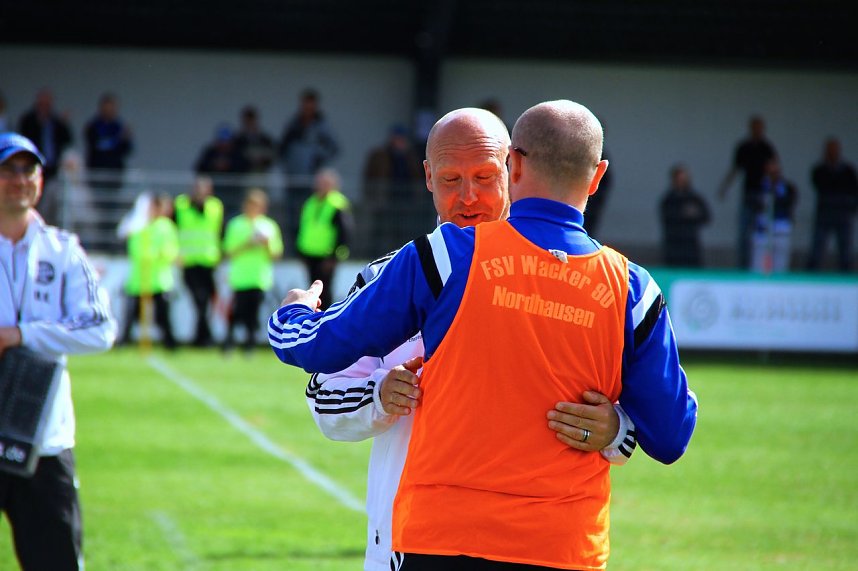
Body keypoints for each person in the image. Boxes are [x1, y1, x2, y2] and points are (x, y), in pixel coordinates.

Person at [269, 100, 697, 569]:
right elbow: (323, 392)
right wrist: (377, 395)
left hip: (448, 538)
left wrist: (617, 429)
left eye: (484, 177)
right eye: (451, 179)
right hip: (472, 541)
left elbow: (318, 345)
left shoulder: (443, 260)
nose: (468, 196)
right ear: (428, 177)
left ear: (513, 167)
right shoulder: (629, 287)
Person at [0, 132, 116, 570]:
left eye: (28, 169)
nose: (19, 179)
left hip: (44, 442)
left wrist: (21, 335)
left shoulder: (63, 250)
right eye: (8, 169)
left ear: (41, 181)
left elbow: (101, 329)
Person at [222, 188, 283, 353]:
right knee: (237, 311)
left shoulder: (269, 226)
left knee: (253, 312)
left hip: (259, 277)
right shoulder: (236, 224)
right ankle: (229, 340)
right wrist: (248, 243)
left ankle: (250, 343)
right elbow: (228, 251)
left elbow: (276, 254)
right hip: (240, 277)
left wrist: (266, 244)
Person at [278, 88, 339, 245]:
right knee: (292, 218)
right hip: (293, 180)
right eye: (305, 104)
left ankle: (306, 248)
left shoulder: (322, 126)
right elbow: (282, 148)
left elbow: (334, 148)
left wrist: (317, 158)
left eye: (311, 105)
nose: (307, 108)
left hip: (312, 183)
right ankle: (293, 248)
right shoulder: (293, 124)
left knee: (308, 219)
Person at [118, 193, 179, 349]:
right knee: (131, 314)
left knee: (163, 315)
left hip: (159, 279)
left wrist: (156, 255)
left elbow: (171, 250)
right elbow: (133, 247)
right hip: (139, 279)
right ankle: (124, 341)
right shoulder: (139, 225)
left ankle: (170, 343)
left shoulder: (166, 226)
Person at [718, 115, 778, 269]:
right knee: (744, 232)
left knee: (762, 233)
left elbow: (775, 170)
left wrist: (774, 187)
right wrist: (725, 187)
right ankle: (742, 266)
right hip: (748, 193)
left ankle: (761, 267)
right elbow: (735, 169)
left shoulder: (767, 148)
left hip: (763, 195)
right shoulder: (744, 147)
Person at [174, 175, 224, 347]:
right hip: (189, 261)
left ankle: (201, 336)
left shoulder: (215, 206)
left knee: (206, 300)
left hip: (209, 260)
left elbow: (218, 231)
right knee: (199, 299)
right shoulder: (181, 205)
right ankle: (204, 337)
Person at [361, 123, 425, 255]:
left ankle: (400, 256)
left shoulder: (411, 157)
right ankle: (375, 254)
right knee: (380, 229)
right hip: (384, 199)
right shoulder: (380, 155)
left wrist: (417, 196)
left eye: (402, 139)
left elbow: (417, 177)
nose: (399, 142)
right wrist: (372, 196)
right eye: (397, 138)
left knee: (401, 231)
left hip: (405, 201)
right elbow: (370, 176)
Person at [83, 92, 134, 252]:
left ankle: (109, 245)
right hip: (96, 176)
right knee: (96, 213)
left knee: (112, 213)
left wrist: (125, 139)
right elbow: (96, 146)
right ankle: (97, 245)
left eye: (112, 108)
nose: (110, 111)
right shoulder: (93, 126)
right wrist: (116, 140)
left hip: (114, 178)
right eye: (107, 107)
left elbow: (126, 150)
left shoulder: (119, 127)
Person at [295, 168, 352, 310]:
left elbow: (345, 232)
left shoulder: (337, 204)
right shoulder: (310, 202)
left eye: (324, 183)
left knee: (324, 291)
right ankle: (315, 317)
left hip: (326, 257)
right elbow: (303, 227)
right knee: (312, 290)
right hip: (309, 254)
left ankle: (324, 317)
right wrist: (300, 252)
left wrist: (334, 257)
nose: (320, 186)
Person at [17, 88, 74, 227]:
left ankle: (44, 227)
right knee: (33, 201)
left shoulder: (56, 121)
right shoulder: (28, 120)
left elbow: (68, 140)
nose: (45, 107)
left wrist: (65, 123)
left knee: (51, 204)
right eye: (42, 104)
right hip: (33, 167)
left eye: (47, 104)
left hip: (53, 170)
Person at [805, 137, 858, 272]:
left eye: (835, 150)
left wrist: (851, 208)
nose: (832, 152)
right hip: (825, 212)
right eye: (830, 150)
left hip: (843, 214)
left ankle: (846, 276)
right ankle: (812, 275)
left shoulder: (848, 171)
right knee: (818, 247)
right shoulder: (819, 170)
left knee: (845, 249)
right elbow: (821, 185)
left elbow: (853, 190)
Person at [750, 156, 798, 274]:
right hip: (763, 232)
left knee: (780, 270)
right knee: (758, 269)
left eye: (775, 171)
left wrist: (775, 197)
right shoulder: (758, 186)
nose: (773, 174)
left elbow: (788, 203)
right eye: (770, 171)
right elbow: (754, 204)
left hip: (781, 232)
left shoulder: (788, 188)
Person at [194, 123, 249, 222]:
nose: (224, 144)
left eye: (226, 141)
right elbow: (199, 168)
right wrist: (214, 166)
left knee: (232, 219)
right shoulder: (210, 152)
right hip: (214, 193)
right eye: (221, 141)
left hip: (233, 194)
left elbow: (244, 168)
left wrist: (229, 166)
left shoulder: (237, 153)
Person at [659, 164, 711, 267]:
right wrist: (684, 213)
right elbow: (668, 217)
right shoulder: (668, 200)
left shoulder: (694, 198)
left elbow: (706, 216)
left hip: (691, 246)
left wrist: (693, 214)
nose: (681, 182)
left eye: (683, 179)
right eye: (678, 179)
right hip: (673, 246)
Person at [233, 105, 276, 175]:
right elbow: (235, 157)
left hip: (262, 173)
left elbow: (272, 156)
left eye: (251, 121)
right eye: (247, 122)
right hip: (244, 174)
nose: (249, 124)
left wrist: (262, 160)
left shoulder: (265, 139)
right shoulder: (238, 140)